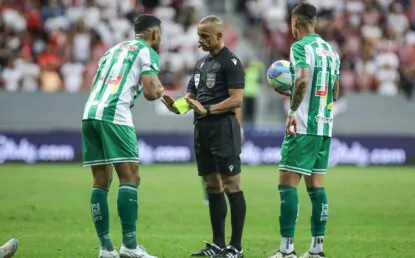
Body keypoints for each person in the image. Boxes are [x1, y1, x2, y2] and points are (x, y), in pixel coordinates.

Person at [161, 15, 246, 258]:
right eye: (199, 36)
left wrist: (208, 109)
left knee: (232, 185)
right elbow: (190, 100)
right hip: (202, 131)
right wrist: (175, 106)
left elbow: (236, 99)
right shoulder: (200, 64)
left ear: (219, 36)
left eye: (205, 36)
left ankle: (236, 247)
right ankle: (218, 245)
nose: (199, 41)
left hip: (223, 129)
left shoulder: (231, 62)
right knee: (211, 185)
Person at [81, 14, 164, 258]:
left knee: (100, 181)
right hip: (115, 114)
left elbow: (96, 83)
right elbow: (151, 92)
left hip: (90, 112)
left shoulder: (112, 50)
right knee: (130, 177)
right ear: (155, 34)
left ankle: (106, 248)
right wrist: (160, 89)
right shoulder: (147, 50)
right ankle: (129, 246)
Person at [269, 3, 340, 258]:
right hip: (324, 127)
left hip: (303, 126)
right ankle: (316, 249)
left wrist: (291, 111)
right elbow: (335, 91)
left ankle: (287, 250)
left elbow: (301, 79)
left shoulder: (300, 47)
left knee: (287, 185)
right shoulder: (331, 52)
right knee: (317, 187)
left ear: (294, 22)